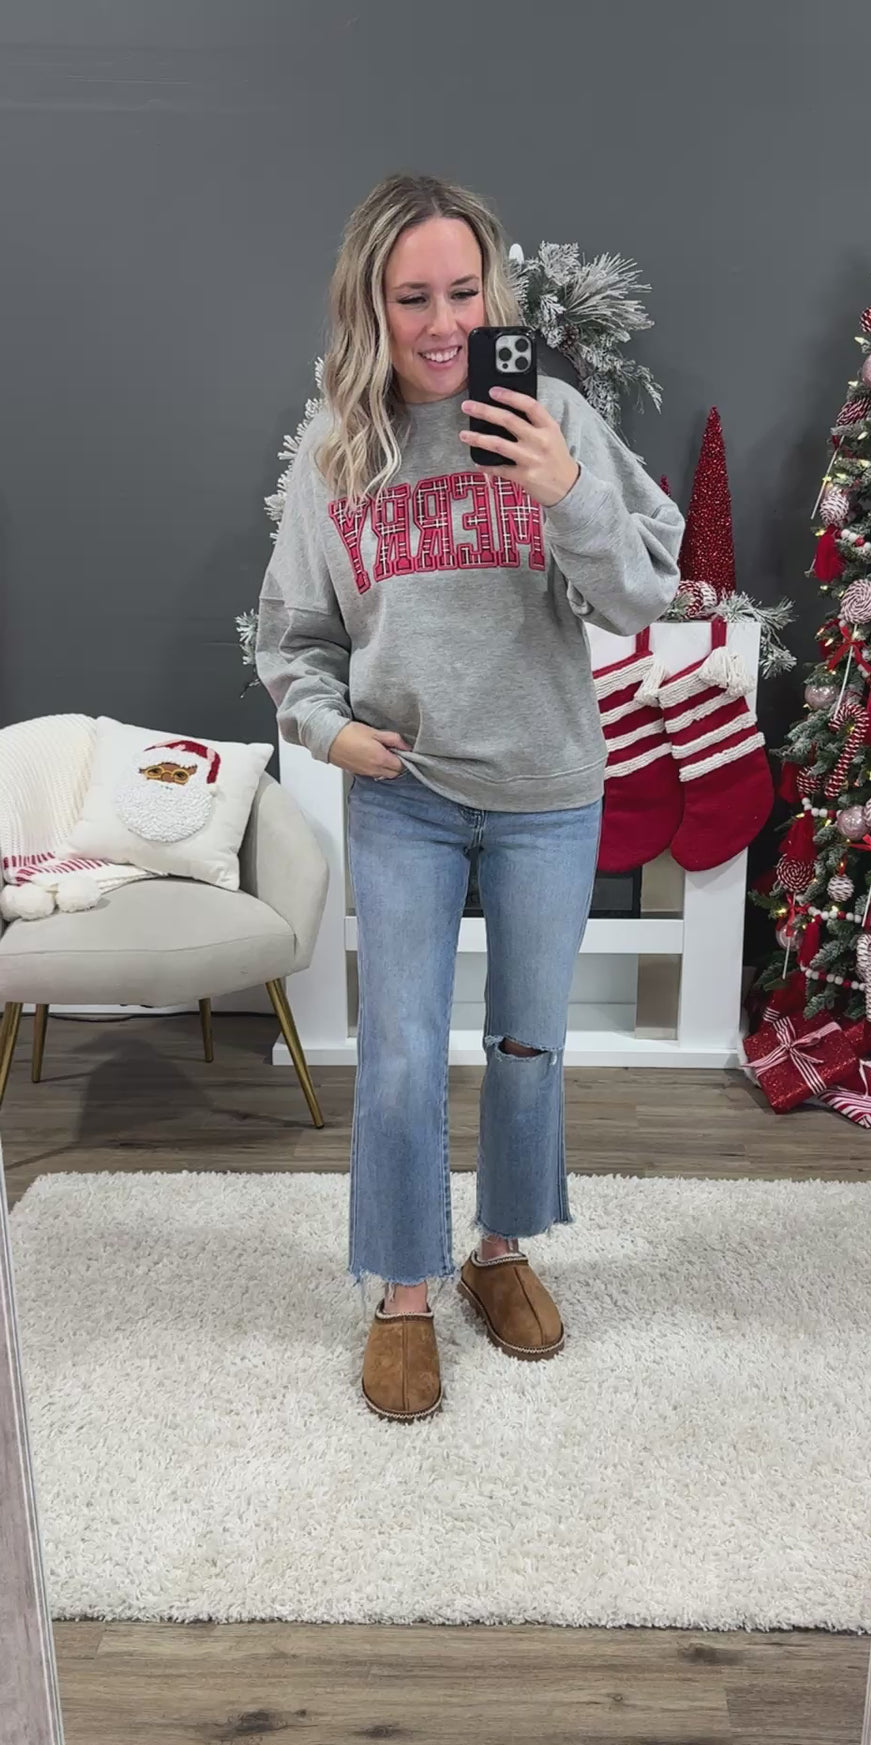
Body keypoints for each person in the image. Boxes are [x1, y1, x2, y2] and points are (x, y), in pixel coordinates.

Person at [255, 171, 685, 1422]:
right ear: (369, 305)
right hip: (405, 793)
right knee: (398, 1055)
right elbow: (292, 637)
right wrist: (330, 731)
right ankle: (403, 1289)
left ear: (491, 294)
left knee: (527, 1043)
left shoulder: (550, 415)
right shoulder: (337, 451)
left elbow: (641, 591)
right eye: (412, 298)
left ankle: (500, 1250)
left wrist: (564, 490)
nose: (443, 324)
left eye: (462, 292)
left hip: (547, 788)